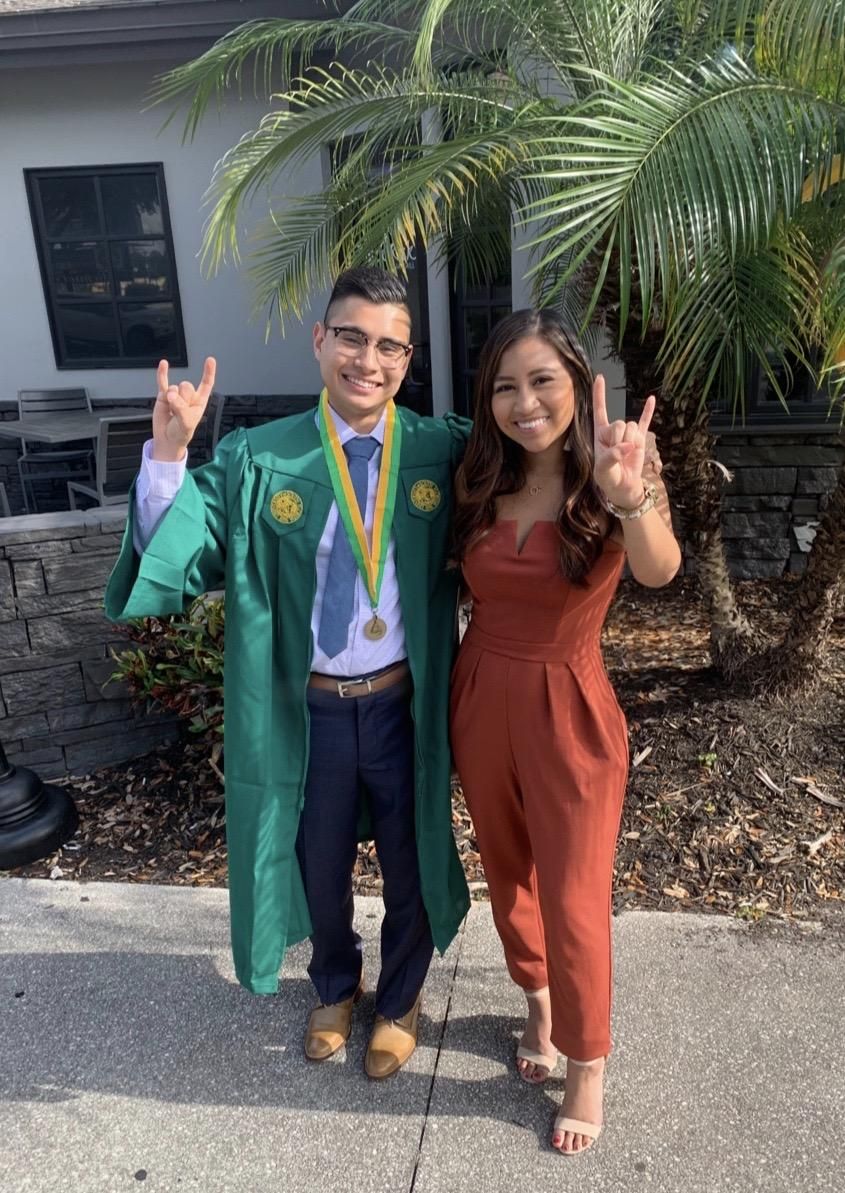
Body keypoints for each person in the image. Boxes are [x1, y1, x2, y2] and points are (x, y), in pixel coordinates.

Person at [105, 266, 471, 1079]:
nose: (367, 360)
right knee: (319, 861)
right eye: (350, 337)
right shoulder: (260, 458)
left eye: (388, 346)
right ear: (319, 340)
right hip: (312, 709)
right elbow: (187, 549)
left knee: (412, 857)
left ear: (407, 359)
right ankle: (335, 985)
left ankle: (401, 997)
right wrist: (169, 453)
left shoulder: (439, 449)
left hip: (402, 703)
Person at [449, 308, 680, 1154]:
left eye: (542, 380)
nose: (524, 403)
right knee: (506, 869)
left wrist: (631, 495)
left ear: (579, 386)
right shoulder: (477, 475)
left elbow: (658, 569)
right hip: (479, 694)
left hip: (570, 708)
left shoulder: (617, 471)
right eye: (504, 387)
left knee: (574, 894)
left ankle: (588, 1061)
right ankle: (538, 1002)